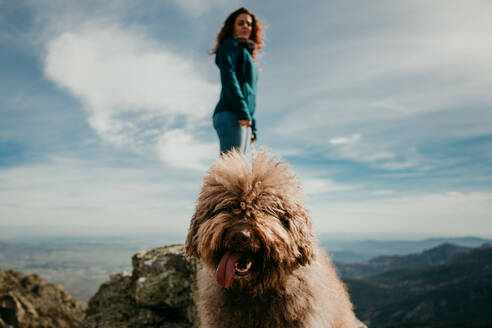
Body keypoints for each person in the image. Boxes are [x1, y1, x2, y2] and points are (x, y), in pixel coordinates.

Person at [211, 7, 264, 154]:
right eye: (241, 23)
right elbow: (229, 77)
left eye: (249, 24)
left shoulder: (247, 55)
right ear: (232, 27)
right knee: (231, 173)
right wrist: (242, 112)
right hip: (231, 113)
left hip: (242, 116)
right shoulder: (229, 46)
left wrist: (253, 126)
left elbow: (251, 93)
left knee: (239, 172)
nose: (246, 26)